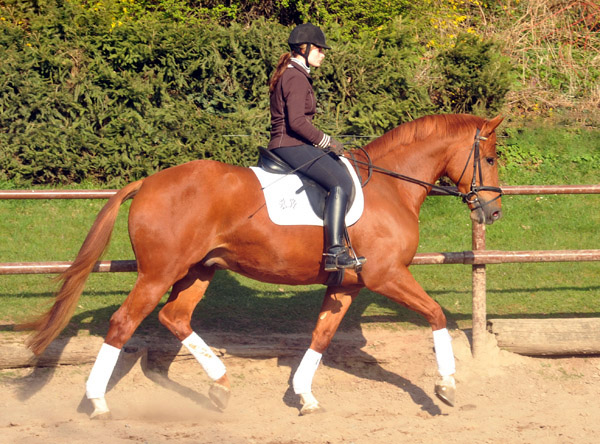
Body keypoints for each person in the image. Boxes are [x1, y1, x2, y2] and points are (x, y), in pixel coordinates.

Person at [267, 23, 364, 272]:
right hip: (289, 143)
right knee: (340, 182)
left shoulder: (293, 74)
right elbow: (297, 122)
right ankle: (334, 251)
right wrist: (327, 141)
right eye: (319, 49)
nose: (323, 54)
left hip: (289, 143)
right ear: (304, 48)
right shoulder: (295, 77)